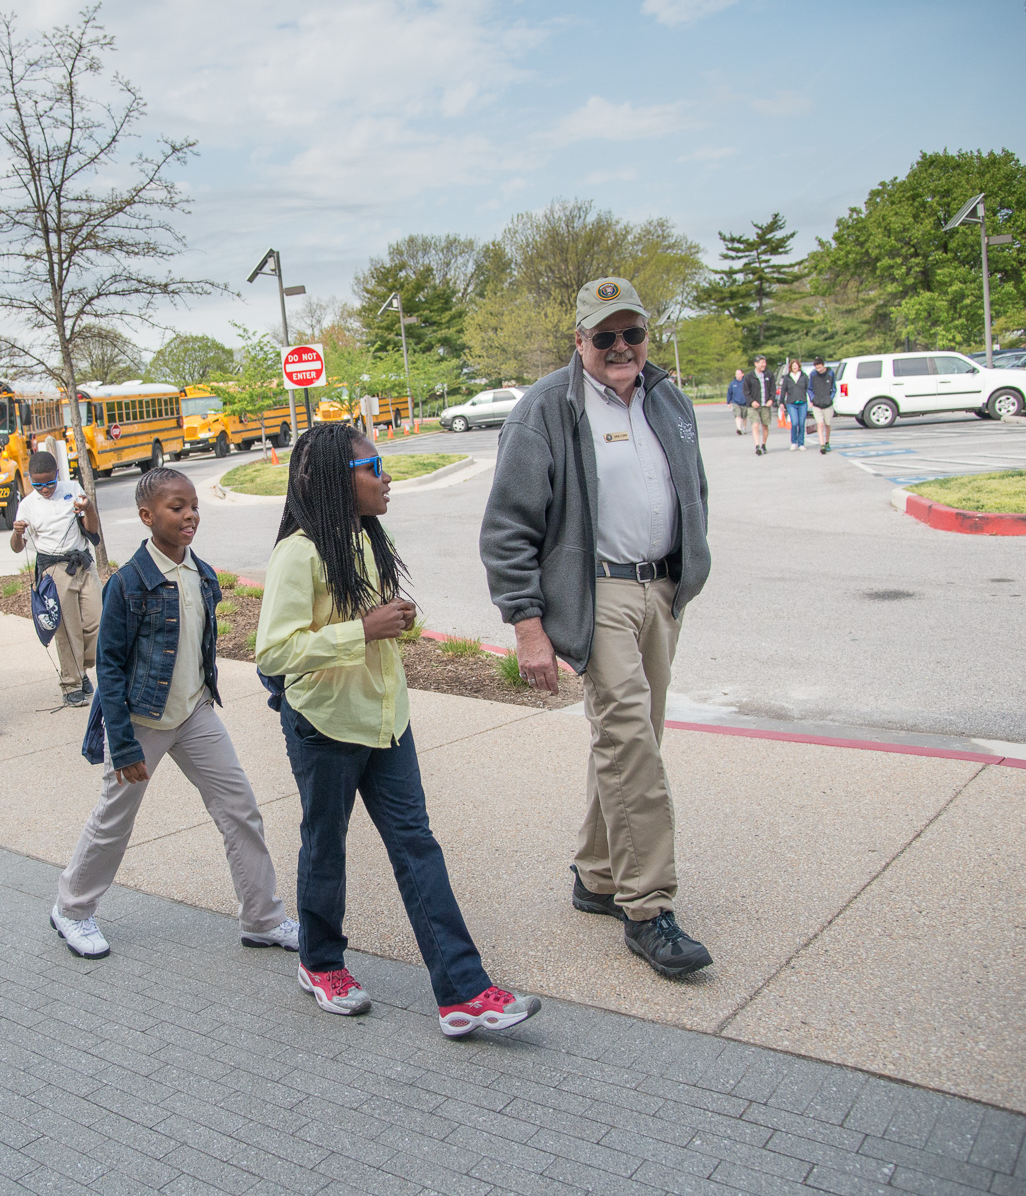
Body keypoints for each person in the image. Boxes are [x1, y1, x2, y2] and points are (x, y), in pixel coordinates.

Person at [260, 422, 542, 1037]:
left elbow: (369, 623)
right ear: (338, 479)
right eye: (374, 466)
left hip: (387, 723)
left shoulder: (366, 537)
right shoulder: (298, 553)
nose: (387, 477)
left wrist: (394, 621)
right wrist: (362, 628)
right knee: (325, 846)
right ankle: (320, 962)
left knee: (417, 847)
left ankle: (463, 994)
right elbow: (273, 653)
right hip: (326, 725)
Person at [480, 276, 714, 980]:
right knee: (629, 742)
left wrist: (688, 570)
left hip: (661, 589)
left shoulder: (666, 397)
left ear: (646, 336)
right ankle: (649, 909)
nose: (620, 348)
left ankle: (598, 871)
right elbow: (507, 528)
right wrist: (527, 623)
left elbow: (693, 487)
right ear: (578, 341)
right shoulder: (546, 408)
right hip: (599, 591)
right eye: (603, 336)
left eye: (631, 334)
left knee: (633, 739)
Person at [52, 467, 298, 960]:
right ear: (147, 516)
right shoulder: (128, 583)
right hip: (142, 721)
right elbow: (111, 669)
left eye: (193, 506)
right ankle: (72, 910)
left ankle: (262, 919)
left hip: (195, 714)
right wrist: (121, 744)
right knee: (115, 819)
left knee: (240, 810)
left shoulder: (201, 573)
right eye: (176, 507)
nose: (190, 516)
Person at [9, 450, 102, 706]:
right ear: (30, 480)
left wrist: (89, 507)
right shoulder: (27, 505)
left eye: (49, 482)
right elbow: (17, 547)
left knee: (98, 621)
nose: (45, 488)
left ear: (57, 475)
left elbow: (91, 528)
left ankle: (80, 669)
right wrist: (17, 533)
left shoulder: (72, 487)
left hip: (82, 562)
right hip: (53, 570)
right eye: (38, 484)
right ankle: (71, 683)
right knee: (67, 629)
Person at [743, 354, 777, 456]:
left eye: (765, 363)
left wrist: (771, 399)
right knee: (755, 425)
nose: (764, 365)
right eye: (762, 363)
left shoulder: (769, 375)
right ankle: (757, 445)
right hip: (753, 406)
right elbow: (745, 391)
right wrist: (752, 401)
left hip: (765, 405)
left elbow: (773, 389)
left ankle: (763, 444)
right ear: (756, 363)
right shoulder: (749, 376)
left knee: (765, 425)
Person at [808, 358, 839, 454]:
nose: (819, 370)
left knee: (827, 424)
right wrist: (812, 398)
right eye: (817, 368)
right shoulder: (813, 374)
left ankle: (827, 442)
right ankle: (822, 445)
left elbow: (834, 388)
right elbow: (809, 388)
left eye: (820, 368)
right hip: (817, 404)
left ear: (823, 365)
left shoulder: (830, 373)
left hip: (827, 403)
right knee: (820, 424)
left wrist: (830, 398)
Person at [780, 358, 810, 451]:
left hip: (802, 402)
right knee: (795, 422)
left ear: (799, 366)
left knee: (801, 423)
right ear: (790, 367)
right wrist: (781, 402)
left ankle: (801, 443)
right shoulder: (787, 378)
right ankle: (794, 442)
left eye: (796, 365)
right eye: (793, 366)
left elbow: (808, 389)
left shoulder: (804, 376)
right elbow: (783, 390)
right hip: (791, 403)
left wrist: (811, 400)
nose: (795, 367)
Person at [725, 368, 749, 436]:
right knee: (737, 415)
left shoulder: (746, 383)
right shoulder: (732, 384)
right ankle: (739, 428)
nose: (737, 375)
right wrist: (728, 402)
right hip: (736, 402)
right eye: (736, 374)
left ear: (742, 374)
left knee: (744, 416)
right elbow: (729, 393)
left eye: (739, 374)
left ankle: (744, 427)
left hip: (745, 402)